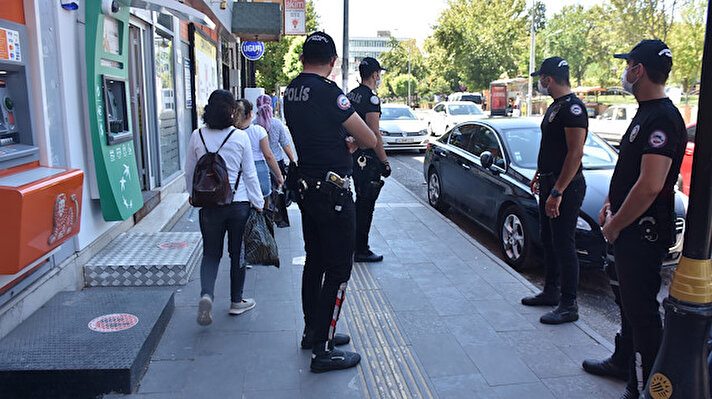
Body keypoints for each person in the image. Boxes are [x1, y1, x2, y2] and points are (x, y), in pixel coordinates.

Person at [283, 31, 377, 373]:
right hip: (334, 191)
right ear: (333, 62)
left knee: (316, 260)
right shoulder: (328, 92)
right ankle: (322, 350)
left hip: (308, 188)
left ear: (303, 57)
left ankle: (314, 330)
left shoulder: (290, 91)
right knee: (339, 269)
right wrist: (351, 142)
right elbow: (368, 137)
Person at [597, 40, 685, 399]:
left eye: (629, 64)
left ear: (639, 70)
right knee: (629, 307)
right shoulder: (646, 112)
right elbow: (631, 171)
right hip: (629, 229)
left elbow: (650, 185)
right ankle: (629, 373)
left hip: (641, 234)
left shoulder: (662, 117)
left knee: (644, 315)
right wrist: (609, 204)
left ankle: (653, 389)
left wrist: (616, 225)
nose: (625, 71)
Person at [184, 90, 264, 326]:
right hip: (238, 205)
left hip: (209, 205)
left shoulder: (197, 136)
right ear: (232, 112)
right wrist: (258, 204)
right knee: (237, 251)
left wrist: (192, 195)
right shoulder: (240, 138)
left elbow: (189, 171)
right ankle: (236, 301)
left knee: (210, 253)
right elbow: (250, 175)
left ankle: (206, 295)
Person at [521, 56, 587, 325]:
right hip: (550, 181)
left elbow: (575, 154)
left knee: (563, 244)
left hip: (566, 186)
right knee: (548, 240)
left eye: (541, 78)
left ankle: (569, 304)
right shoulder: (556, 107)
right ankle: (551, 292)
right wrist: (540, 174)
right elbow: (551, 146)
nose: (539, 82)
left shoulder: (573, 109)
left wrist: (558, 191)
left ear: (548, 79)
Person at [347, 57, 390, 262]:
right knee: (366, 205)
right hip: (367, 160)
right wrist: (384, 162)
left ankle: (353, 244)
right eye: (379, 74)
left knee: (358, 203)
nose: (379, 77)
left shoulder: (351, 95)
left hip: (351, 156)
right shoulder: (371, 99)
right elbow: (375, 135)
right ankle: (361, 249)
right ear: (374, 74)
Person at [256, 94, 296, 227]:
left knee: (262, 191)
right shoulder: (277, 123)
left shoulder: (254, 125)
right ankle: (276, 215)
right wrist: (292, 160)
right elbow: (285, 144)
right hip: (276, 162)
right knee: (276, 191)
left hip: (259, 163)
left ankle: (263, 215)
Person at [235, 99, 284, 205]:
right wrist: (279, 175)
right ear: (251, 114)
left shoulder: (232, 132)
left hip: (238, 170)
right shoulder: (258, 131)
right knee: (263, 204)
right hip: (259, 168)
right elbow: (268, 155)